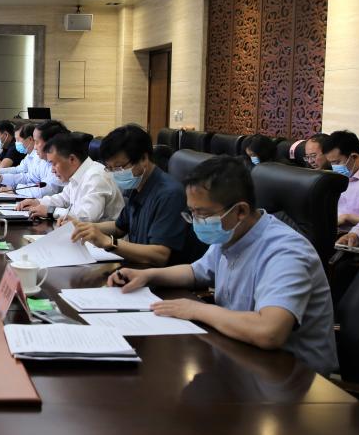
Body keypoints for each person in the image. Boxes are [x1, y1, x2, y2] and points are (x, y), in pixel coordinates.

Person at [106, 156, 338, 376]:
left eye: (202, 214)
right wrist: (147, 275)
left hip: (292, 376)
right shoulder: (232, 233)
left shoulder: (285, 252)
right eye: (192, 212)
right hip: (241, 355)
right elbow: (196, 272)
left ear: (240, 211)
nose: (197, 222)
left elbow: (269, 332)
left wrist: (196, 309)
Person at [71, 124, 202, 265]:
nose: (115, 174)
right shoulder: (139, 185)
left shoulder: (170, 194)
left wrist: (109, 242)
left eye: (119, 167)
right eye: (110, 168)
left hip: (160, 274)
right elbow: (119, 227)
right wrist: (84, 227)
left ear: (143, 158)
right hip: (137, 268)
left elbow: (160, 255)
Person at [16, 132, 124, 222]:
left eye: (54, 164)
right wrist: (38, 202)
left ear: (72, 159)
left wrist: (51, 211)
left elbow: (87, 217)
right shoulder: (78, 174)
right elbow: (63, 198)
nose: (52, 170)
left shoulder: (96, 176)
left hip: (105, 240)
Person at [0, 120, 66, 198]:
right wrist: (1, 178)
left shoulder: (55, 164)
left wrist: (15, 188)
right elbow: (28, 177)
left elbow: (45, 191)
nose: (35, 147)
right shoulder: (41, 159)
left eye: (37, 142)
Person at [322, 130, 359, 230]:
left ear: (354, 157)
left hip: (357, 234)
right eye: (331, 163)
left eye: (337, 162)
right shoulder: (337, 178)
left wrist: (348, 218)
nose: (334, 167)